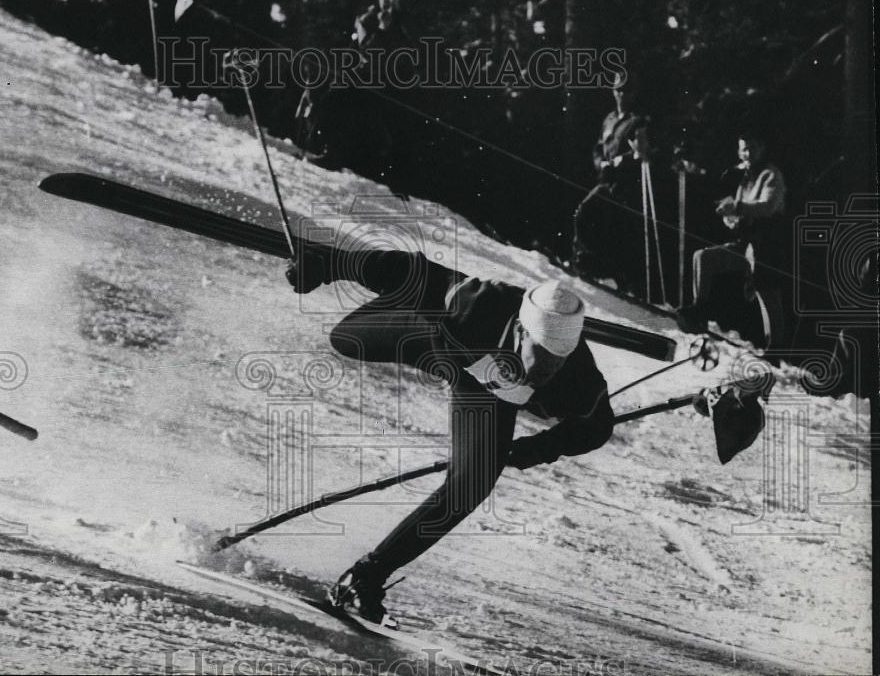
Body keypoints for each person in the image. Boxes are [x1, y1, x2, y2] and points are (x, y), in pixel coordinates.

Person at [286, 246, 615, 627]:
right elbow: (413, 271)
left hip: (481, 387)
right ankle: (428, 335)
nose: (544, 369)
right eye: (538, 354)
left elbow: (597, 427)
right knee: (345, 338)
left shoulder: (579, 379)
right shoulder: (477, 304)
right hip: (436, 339)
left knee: (472, 484)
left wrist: (537, 449)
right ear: (521, 329)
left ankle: (363, 579)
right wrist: (328, 263)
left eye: (556, 361)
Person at [676, 134, 786, 346]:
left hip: (767, 246)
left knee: (766, 291)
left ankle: (775, 347)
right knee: (703, 257)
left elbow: (768, 206)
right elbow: (740, 212)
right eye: (744, 149)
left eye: (752, 148)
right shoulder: (745, 176)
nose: (748, 154)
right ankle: (700, 311)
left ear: (762, 148)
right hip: (746, 243)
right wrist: (730, 218)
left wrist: (737, 208)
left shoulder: (770, 175)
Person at [572, 73, 651, 291]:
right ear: (613, 91)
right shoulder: (609, 119)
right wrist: (601, 163)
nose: (622, 95)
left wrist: (621, 160)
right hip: (606, 180)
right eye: (618, 90)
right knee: (588, 214)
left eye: (626, 90)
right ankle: (587, 264)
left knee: (611, 227)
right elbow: (598, 147)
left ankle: (611, 276)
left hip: (626, 185)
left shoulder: (638, 120)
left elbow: (642, 152)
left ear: (633, 93)